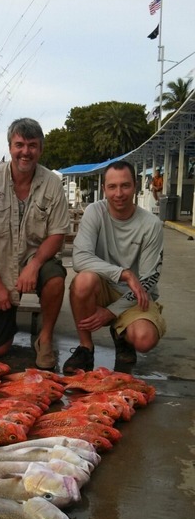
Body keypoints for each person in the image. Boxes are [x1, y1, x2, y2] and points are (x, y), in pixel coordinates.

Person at [0, 117, 70, 370]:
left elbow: (57, 234)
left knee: (55, 278)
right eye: (19, 145)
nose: (25, 151)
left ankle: (45, 338)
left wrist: (34, 265)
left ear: (40, 149)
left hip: (36, 259)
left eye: (32, 145)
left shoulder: (52, 184)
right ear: (10, 147)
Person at [62, 160, 166, 375]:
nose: (119, 193)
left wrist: (111, 312)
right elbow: (80, 258)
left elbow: (148, 280)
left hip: (135, 295)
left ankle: (122, 336)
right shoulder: (94, 212)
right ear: (104, 189)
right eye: (112, 187)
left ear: (135, 186)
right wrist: (124, 274)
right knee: (83, 281)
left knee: (145, 339)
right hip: (103, 286)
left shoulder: (151, 225)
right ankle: (85, 347)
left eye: (125, 185)